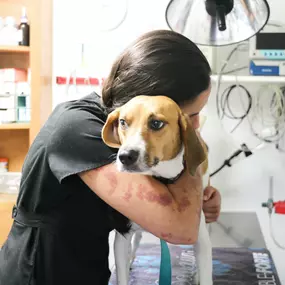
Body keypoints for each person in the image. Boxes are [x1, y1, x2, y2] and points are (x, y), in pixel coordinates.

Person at [0, 30, 221, 285]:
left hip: (85, 270)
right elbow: (181, 228)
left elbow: (170, 198)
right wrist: (195, 155)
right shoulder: (80, 129)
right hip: (38, 275)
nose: (194, 126)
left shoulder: (122, 131)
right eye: (191, 116)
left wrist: (201, 198)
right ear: (158, 102)